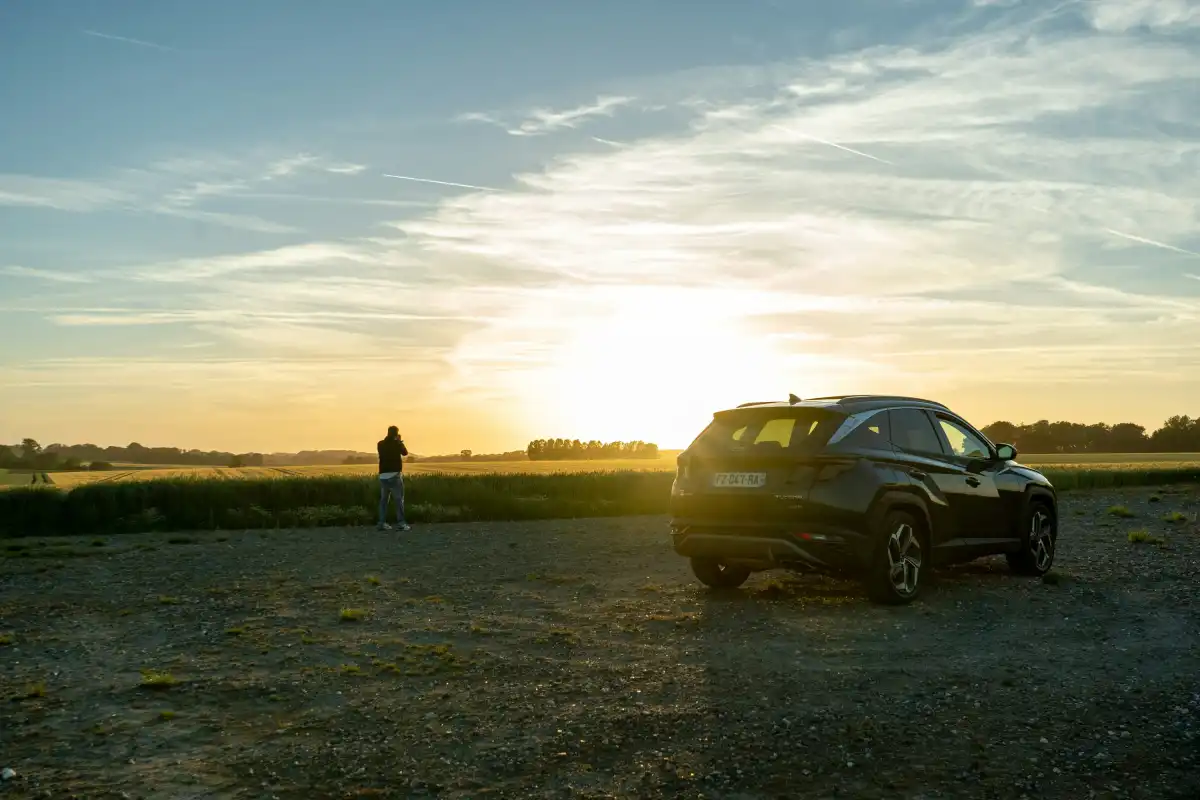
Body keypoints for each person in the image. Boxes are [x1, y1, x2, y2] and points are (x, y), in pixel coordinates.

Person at [377, 425, 410, 531]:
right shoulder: (397, 444)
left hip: (383, 476)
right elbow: (405, 453)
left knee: (383, 500)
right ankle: (401, 523)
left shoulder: (380, 444)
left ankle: (381, 523)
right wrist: (399, 441)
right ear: (396, 434)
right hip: (395, 475)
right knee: (399, 500)